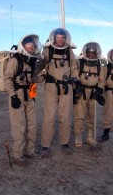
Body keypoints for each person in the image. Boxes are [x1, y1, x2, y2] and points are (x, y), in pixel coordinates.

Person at [34, 28, 80, 158]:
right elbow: (40, 64)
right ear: (54, 38)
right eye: (58, 37)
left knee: (65, 117)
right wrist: (30, 74)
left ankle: (65, 143)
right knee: (49, 117)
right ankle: (45, 145)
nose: (60, 39)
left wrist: (77, 83)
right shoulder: (47, 50)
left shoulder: (69, 51)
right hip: (51, 87)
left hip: (66, 87)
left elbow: (74, 68)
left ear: (66, 39)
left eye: (62, 37)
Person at [3, 34, 42, 166]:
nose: (31, 48)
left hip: (29, 96)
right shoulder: (15, 60)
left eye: (32, 46)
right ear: (23, 46)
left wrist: (43, 77)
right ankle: (17, 155)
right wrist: (13, 96)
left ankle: (30, 151)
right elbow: (7, 78)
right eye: (28, 45)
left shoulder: (31, 62)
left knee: (32, 125)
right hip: (17, 95)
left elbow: (32, 79)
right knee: (19, 126)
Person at [73, 42, 105, 150]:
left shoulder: (98, 64)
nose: (91, 54)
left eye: (93, 52)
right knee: (80, 116)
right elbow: (74, 76)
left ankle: (90, 137)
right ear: (85, 52)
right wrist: (76, 89)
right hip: (81, 92)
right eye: (89, 52)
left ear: (96, 53)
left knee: (92, 117)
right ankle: (78, 136)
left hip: (93, 93)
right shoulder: (79, 62)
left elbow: (101, 80)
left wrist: (99, 89)